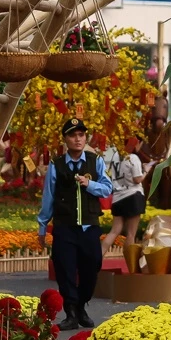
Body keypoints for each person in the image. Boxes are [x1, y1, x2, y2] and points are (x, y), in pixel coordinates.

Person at [37, 117, 110, 328]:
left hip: (89, 226)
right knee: (65, 269)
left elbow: (107, 188)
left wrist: (90, 184)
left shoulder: (95, 161)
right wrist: (42, 226)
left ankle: (81, 306)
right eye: (73, 135)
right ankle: (70, 312)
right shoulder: (56, 165)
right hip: (64, 227)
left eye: (81, 135)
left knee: (92, 266)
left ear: (85, 138)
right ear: (65, 139)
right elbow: (48, 196)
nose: (78, 139)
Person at [99, 138, 148, 270]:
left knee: (114, 231)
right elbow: (137, 179)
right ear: (134, 143)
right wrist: (146, 171)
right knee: (131, 234)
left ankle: (97, 258)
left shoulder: (115, 156)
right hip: (133, 196)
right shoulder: (133, 158)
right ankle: (131, 265)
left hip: (117, 197)